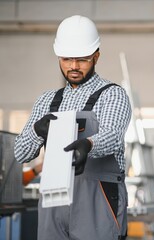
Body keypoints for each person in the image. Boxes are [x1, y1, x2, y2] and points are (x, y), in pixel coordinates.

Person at [14, 15, 131, 240]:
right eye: (67, 59)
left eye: (83, 59)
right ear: (58, 56)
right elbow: (20, 153)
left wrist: (88, 144)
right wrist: (36, 131)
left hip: (98, 201)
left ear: (96, 56)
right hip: (53, 203)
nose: (74, 66)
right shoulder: (46, 100)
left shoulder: (112, 95)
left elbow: (114, 135)